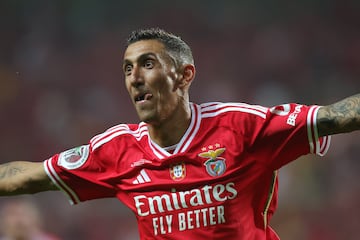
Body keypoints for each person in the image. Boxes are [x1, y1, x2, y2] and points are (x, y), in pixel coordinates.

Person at [0, 27, 359, 240]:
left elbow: (333, 118)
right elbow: (30, 177)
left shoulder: (240, 127)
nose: (134, 77)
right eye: (127, 69)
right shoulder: (116, 150)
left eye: (147, 64)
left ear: (185, 76)